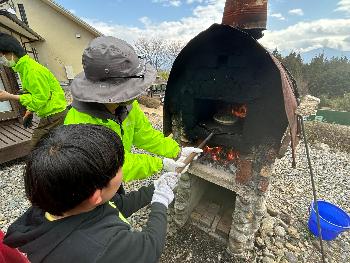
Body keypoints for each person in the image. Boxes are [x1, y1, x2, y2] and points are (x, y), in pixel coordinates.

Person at [4, 124, 178, 263]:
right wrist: (160, 203)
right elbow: (150, 247)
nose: (122, 168)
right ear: (96, 196)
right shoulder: (105, 246)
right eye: (119, 167)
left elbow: (118, 206)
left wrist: (155, 188)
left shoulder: (58, 199)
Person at [64, 36, 202, 184]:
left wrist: (177, 151)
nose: (139, 91)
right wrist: (161, 164)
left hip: (114, 179)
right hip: (92, 186)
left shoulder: (126, 105)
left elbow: (144, 134)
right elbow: (115, 166)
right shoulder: (80, 125)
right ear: (114, 89)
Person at [0, 33, 67, 147]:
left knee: (36, 147)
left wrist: (10, 96)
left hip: (54, 115)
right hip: (52, 113)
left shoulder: (32, 71)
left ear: (10, 52)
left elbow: (40, 98)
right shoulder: (25, 68)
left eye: (1, 56)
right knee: (52, 145)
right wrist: (29, 111)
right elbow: (34, 93)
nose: (2, 61)